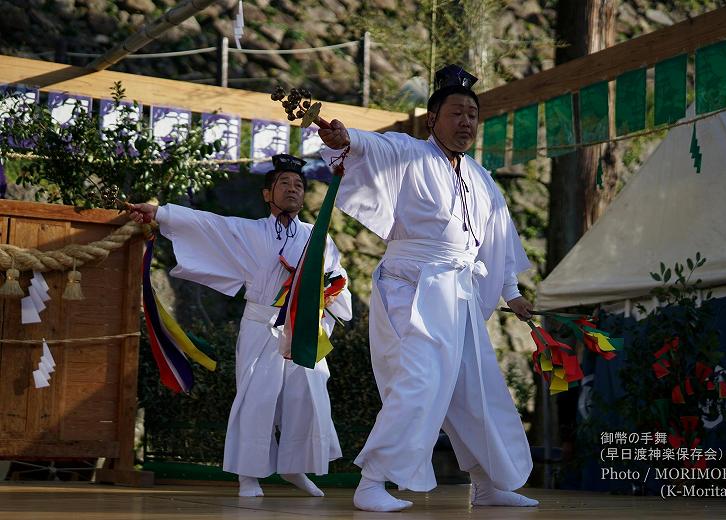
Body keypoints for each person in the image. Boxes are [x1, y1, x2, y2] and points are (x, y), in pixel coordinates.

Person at [318, 65, 538, 512]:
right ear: (432, 119)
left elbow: (496, 238)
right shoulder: (410, 152)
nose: (466, 122)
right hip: (411, 285)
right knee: (420, 380)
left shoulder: (482, 178)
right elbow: (375, 145)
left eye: (472, 114)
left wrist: (511, 291)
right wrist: (348, 139)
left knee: (478, 390)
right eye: (456, 112)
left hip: (459, 293)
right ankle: (373, 481)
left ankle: (490, 482)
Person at [127, 154, 352, 498]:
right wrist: (161, 213)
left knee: (309, 394)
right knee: (256, 397)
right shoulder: (250, 231)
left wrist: (331, 294)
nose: (293, 190)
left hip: (303, 325)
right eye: (284, 184)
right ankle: (248, 475)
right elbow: (208, 225)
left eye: (299, 185)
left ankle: (295, 467)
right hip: (261, 323)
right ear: (267, 194)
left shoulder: (316, 235)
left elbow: (337, 278)